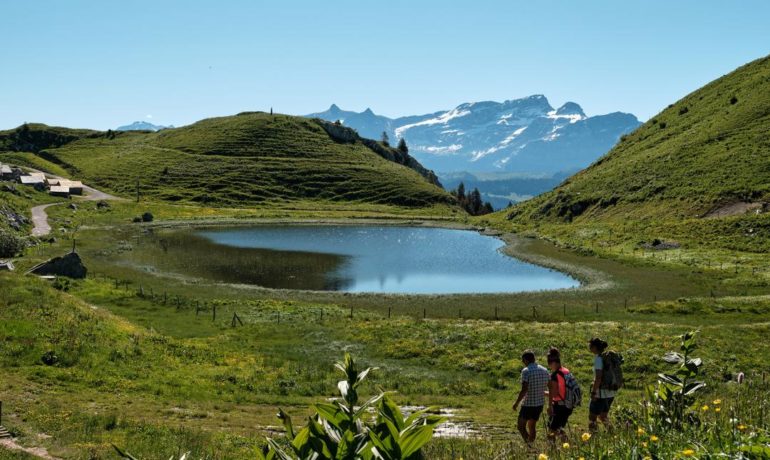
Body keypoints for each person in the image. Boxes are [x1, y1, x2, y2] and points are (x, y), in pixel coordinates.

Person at [512, 349, 550, 445]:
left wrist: (516, 403)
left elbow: (524, 389)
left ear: (526, 360)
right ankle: (531, 444)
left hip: (528, 404)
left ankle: (529, 444)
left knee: (520, 426)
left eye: (523, 360)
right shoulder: (544, 370)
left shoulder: (526, 371)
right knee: (532, 426)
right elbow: (549, 386)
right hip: (539, 404)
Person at [546, 348, 573, 442]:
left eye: (549, 362)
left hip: (559, 406)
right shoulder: (566, 371)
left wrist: (549, 406)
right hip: (568, 405)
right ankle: (568, 447)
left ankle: (553, 451)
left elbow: (554, 393)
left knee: (551, 431)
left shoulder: (554, 375)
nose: (549, 365)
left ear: (552, 362)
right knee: (559, 429)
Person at [589, 337, 615, 431]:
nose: (589, 347)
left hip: (601, 393)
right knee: (603, 416)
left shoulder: (598, 359)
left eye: (590, 345)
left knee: (592, 417)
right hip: (611, 392)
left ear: (595, 347)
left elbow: (598, 377)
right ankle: (612, 434)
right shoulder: (608, 357)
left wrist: (593, 392)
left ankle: (593, 438)